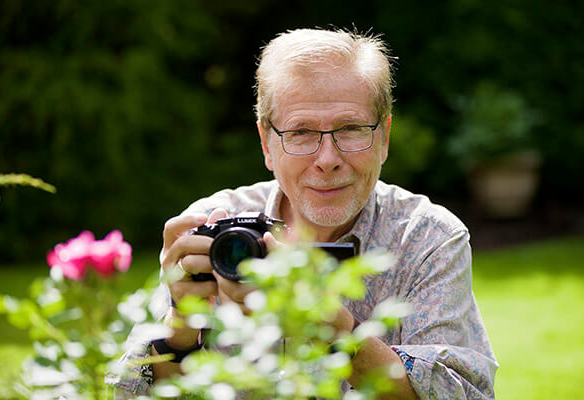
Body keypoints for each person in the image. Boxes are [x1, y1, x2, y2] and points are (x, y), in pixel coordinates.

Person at [109, 28, 498, 399]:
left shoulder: (426, 239)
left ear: (383, 138)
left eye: (350, 128)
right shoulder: (212, 230)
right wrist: (180, 329)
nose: (327, 159)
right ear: (266, 143)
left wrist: (326, 320)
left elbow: (457, 394)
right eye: (301, 133)